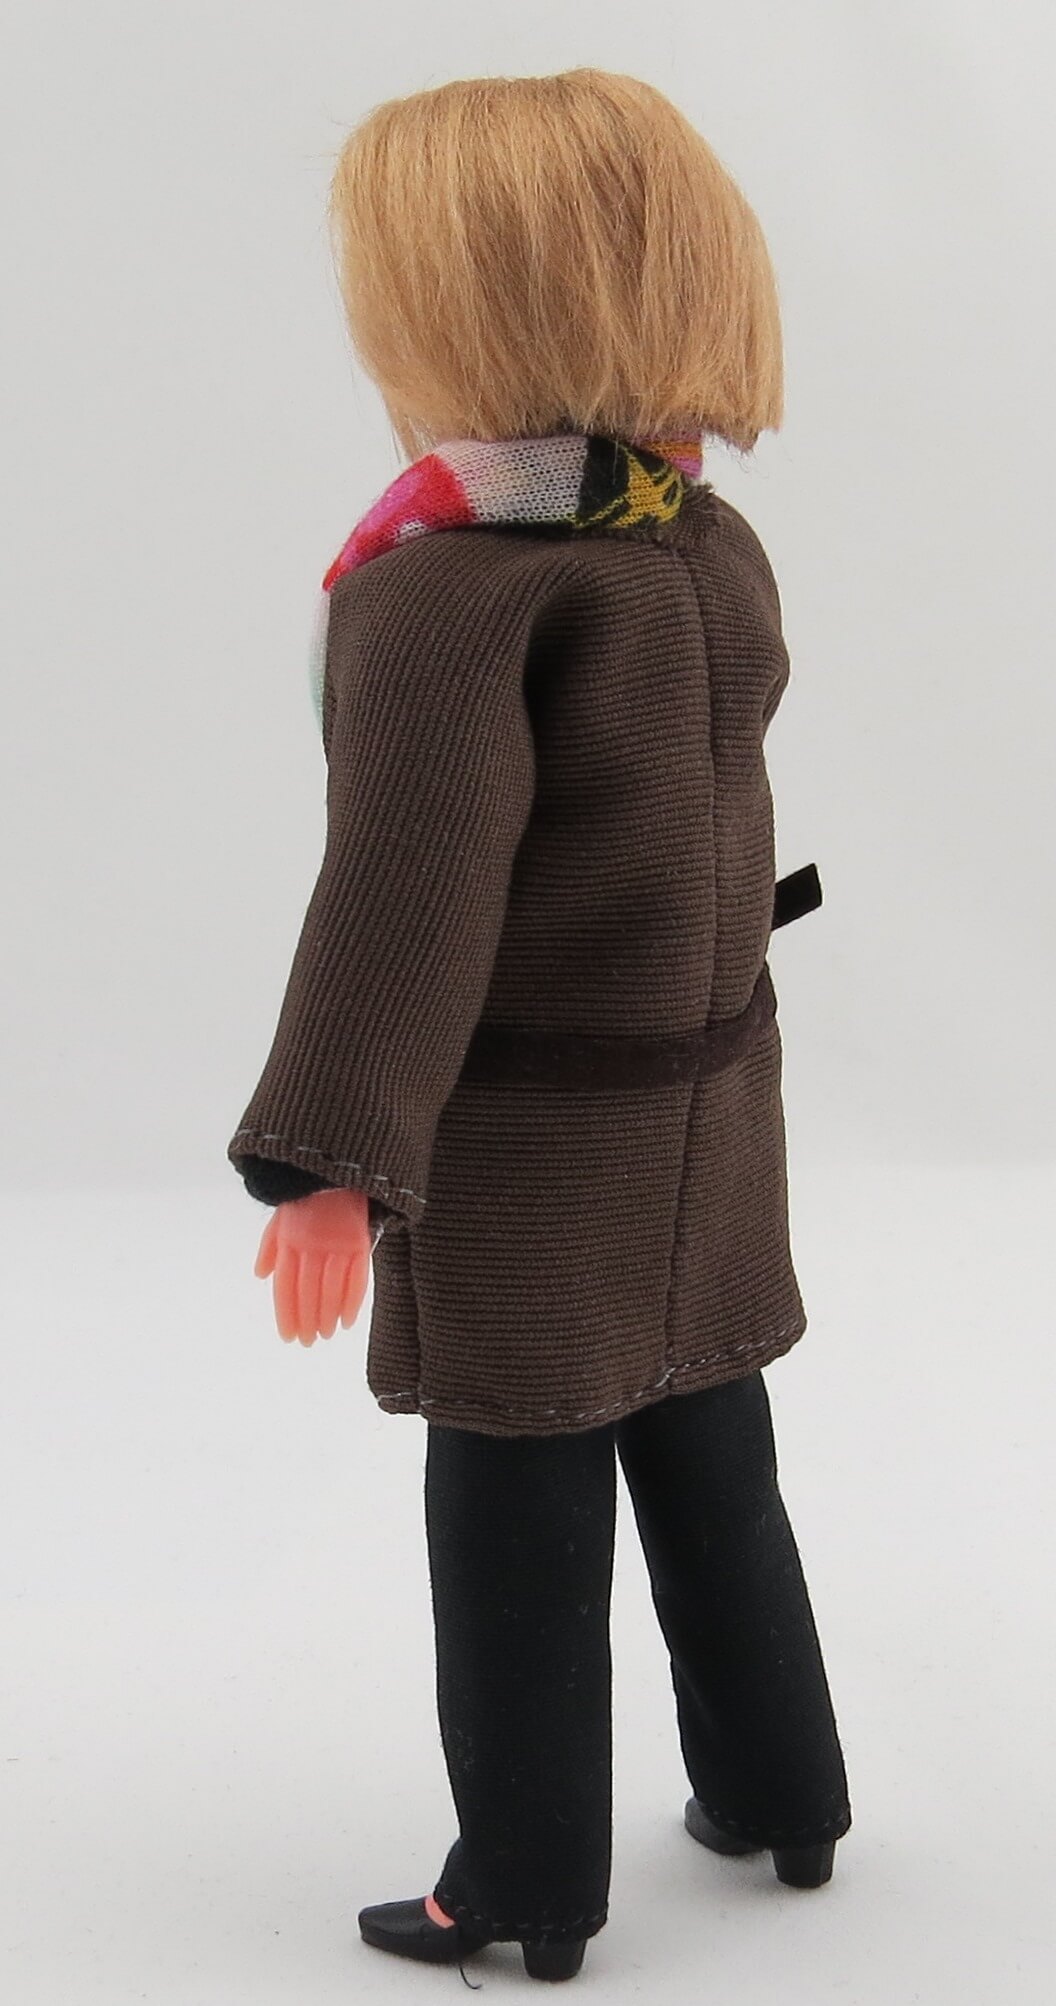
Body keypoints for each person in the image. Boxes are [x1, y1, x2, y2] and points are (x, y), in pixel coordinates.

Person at [225, 67, 852, 1984]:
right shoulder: (696, 543)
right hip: (706, 1110)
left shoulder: (456, 600)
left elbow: (403, 905)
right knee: (711, 1451)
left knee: (515, 1502)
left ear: (466, 307)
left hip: (537, 1141)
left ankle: (520, 1887)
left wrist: (329, 1158)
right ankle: (785, 1793)